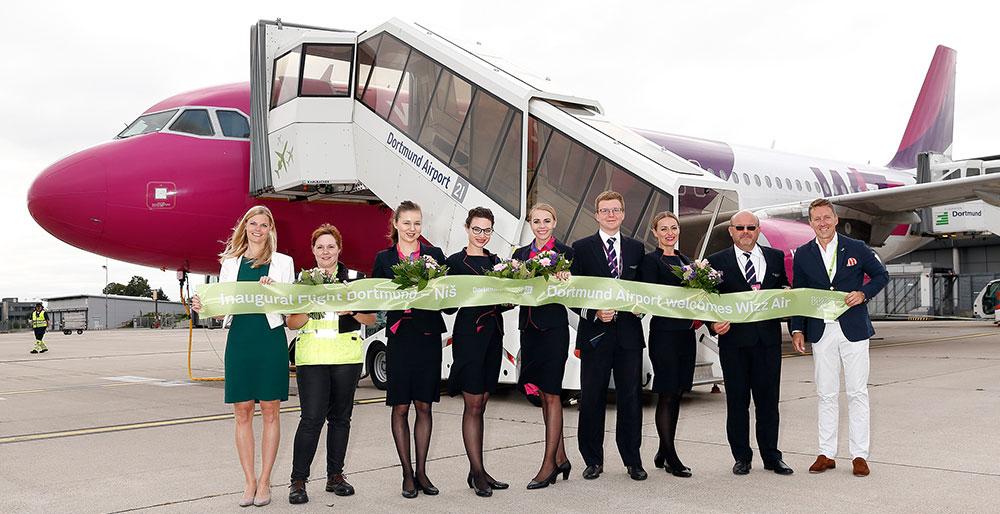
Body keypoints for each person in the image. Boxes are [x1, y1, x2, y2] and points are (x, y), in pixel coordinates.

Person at [192, 205, 295, 507]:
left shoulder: (283, 263)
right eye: (253, 223)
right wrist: (204, 306)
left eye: (264, 225)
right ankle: (249, 481)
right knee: (242, 412)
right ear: (245, 227)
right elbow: (222, 307)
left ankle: (265, 482)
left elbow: (290, 305)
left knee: (271, 410)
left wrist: (276, 291)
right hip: (240, 338)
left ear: (270, 229)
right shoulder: (230, 262)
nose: (258, 229)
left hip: (269, 336)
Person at [791, 198, 888, 478]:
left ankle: (859, 455)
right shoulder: (803, 254)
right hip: (821, 331)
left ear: (835, 219)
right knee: (826, 393)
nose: (822, 223)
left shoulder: (856, 248)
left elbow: (881, 276)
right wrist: (797, 328)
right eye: (816, 219)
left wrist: (864, 294)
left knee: (858, 392)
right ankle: (826, 453)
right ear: (810, 223)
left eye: (826, 217)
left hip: (853, 329)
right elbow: (799, 293)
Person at [285, 224, 376, 505]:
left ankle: (335, 476)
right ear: (313, 251)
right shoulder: (302, 281)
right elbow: (292, 322)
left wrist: (353, 309)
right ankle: (298, 481)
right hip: (312, 358)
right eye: (320, 247)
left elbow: (370, 320)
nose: (326, 251)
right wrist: (310, 308)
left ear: (339, 249)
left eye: (331, 246)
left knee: (340, 419)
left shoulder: (354, 279)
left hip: (345, 358)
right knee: (311, 419)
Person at [706, 210, 794, 476]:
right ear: (731, 231)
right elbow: (707, 302)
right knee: (737, 402)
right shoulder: (715, 261)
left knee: (769, 402)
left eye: (751, 227)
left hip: (767, 343)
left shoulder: (776, 258)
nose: (746, 232)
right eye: (740, 227)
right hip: (734, 344)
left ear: (758, 230)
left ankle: (771, 456)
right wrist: (713, 324)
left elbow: (786, 291)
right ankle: (741, 456)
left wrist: (788, 296)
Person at [371, 201, 448, 499]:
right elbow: (373, 297)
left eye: (417, 223)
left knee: (424, 406)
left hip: (428, 337)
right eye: (407, 223)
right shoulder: (383, 258)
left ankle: (422, 472)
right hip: (399, 339)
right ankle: (406, 472)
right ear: (396, 224)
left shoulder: (434, 256)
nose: (412, 229)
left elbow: (447, 297)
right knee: (401, 406)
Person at [570, 190, 647, 481]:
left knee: (631, 399)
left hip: (628, 337)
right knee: (591, 398)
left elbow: (646, 291)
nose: (611, 215)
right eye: (605, 210)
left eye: (616, 210)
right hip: (595, 336)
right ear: (596, 214)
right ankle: (592, 459)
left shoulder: (637, 249)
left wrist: (641, 309)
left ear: (623, 214)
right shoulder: (581, 248)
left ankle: (632, 459)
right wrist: (593, 312)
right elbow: (573, 294)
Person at [444, 207, 512, 497]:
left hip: (494, 336)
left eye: (487, 230)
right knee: (472, 405)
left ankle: (478, 471)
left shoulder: (497, 263)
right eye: (477, 229)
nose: (482, 235)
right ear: (467, 228)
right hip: (469, 336)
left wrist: (511, 296)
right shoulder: (454, 262)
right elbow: (446, 305)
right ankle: (478, 474)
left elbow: (507, 301)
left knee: (482, 402)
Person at [512, 203, 574, 490]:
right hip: (530, 330)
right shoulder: (520, 256)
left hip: (554, 332)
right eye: (536, 221)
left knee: (552, 393)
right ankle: (561, 457)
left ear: (555, 222)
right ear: (530, 223)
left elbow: (576, 291)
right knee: (541, 395)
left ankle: (548, 464)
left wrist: (567, 280)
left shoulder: (566, 254)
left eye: (546, 220)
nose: (541, 226)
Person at [638, 211, 696, 478]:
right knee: (667, 392)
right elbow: (651, 296)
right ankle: (671, 457)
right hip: (664, 335)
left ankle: (663, 450)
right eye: (664, 229)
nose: (670, 233)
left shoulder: (687, 261)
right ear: (655, 233)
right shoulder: (651, 262)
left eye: (674, 228)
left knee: (679, 392)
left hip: (685, 335)